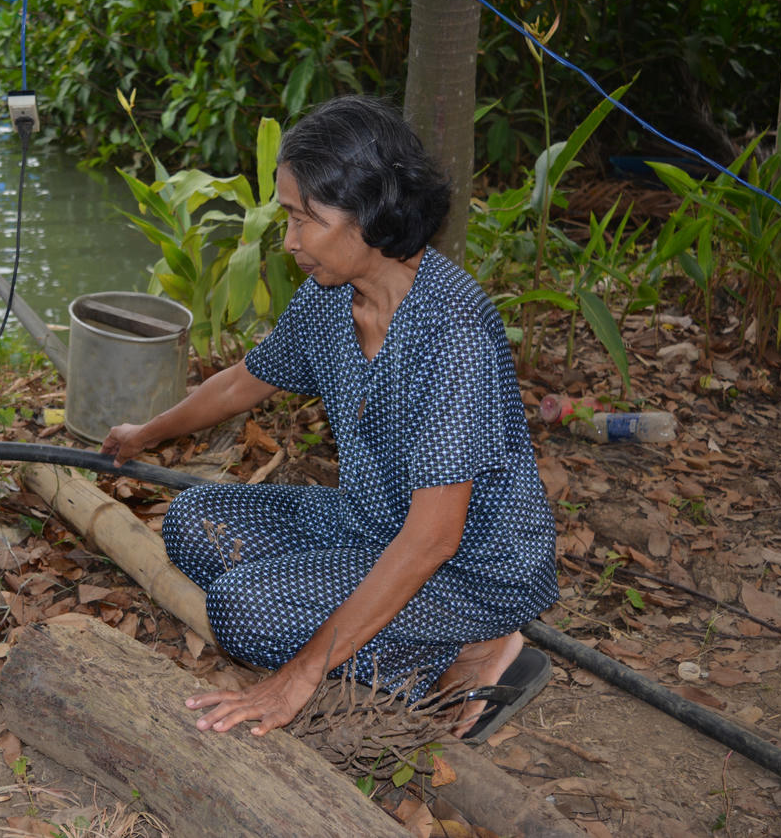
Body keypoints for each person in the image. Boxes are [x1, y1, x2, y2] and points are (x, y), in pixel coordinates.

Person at [101, 95, 558, 740]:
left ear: (369, 213)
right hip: (369, 521)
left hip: (468, 568)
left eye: (301, 219)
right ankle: (380, 626)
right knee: (194, 519)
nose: (288, 242)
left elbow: (432, 538)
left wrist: (301, 673)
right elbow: (241, 382)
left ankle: (476, 647)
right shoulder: (329, 299)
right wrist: (144, 433)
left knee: (244, 610)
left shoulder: (451, 331)